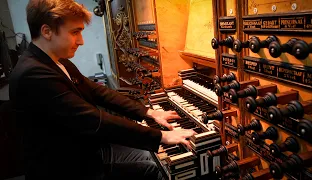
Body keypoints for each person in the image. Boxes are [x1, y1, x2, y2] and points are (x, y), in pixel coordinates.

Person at [9, 0, 196, 180]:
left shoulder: (56, 61)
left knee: (153, 155)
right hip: (68, 168)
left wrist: (149, 112)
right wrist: (161, 136)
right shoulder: (33, 74)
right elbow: (92, 119)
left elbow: (99, 93)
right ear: (47, 31)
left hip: (86, 150)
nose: (81, 41)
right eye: (75, 32)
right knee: (160, 168)